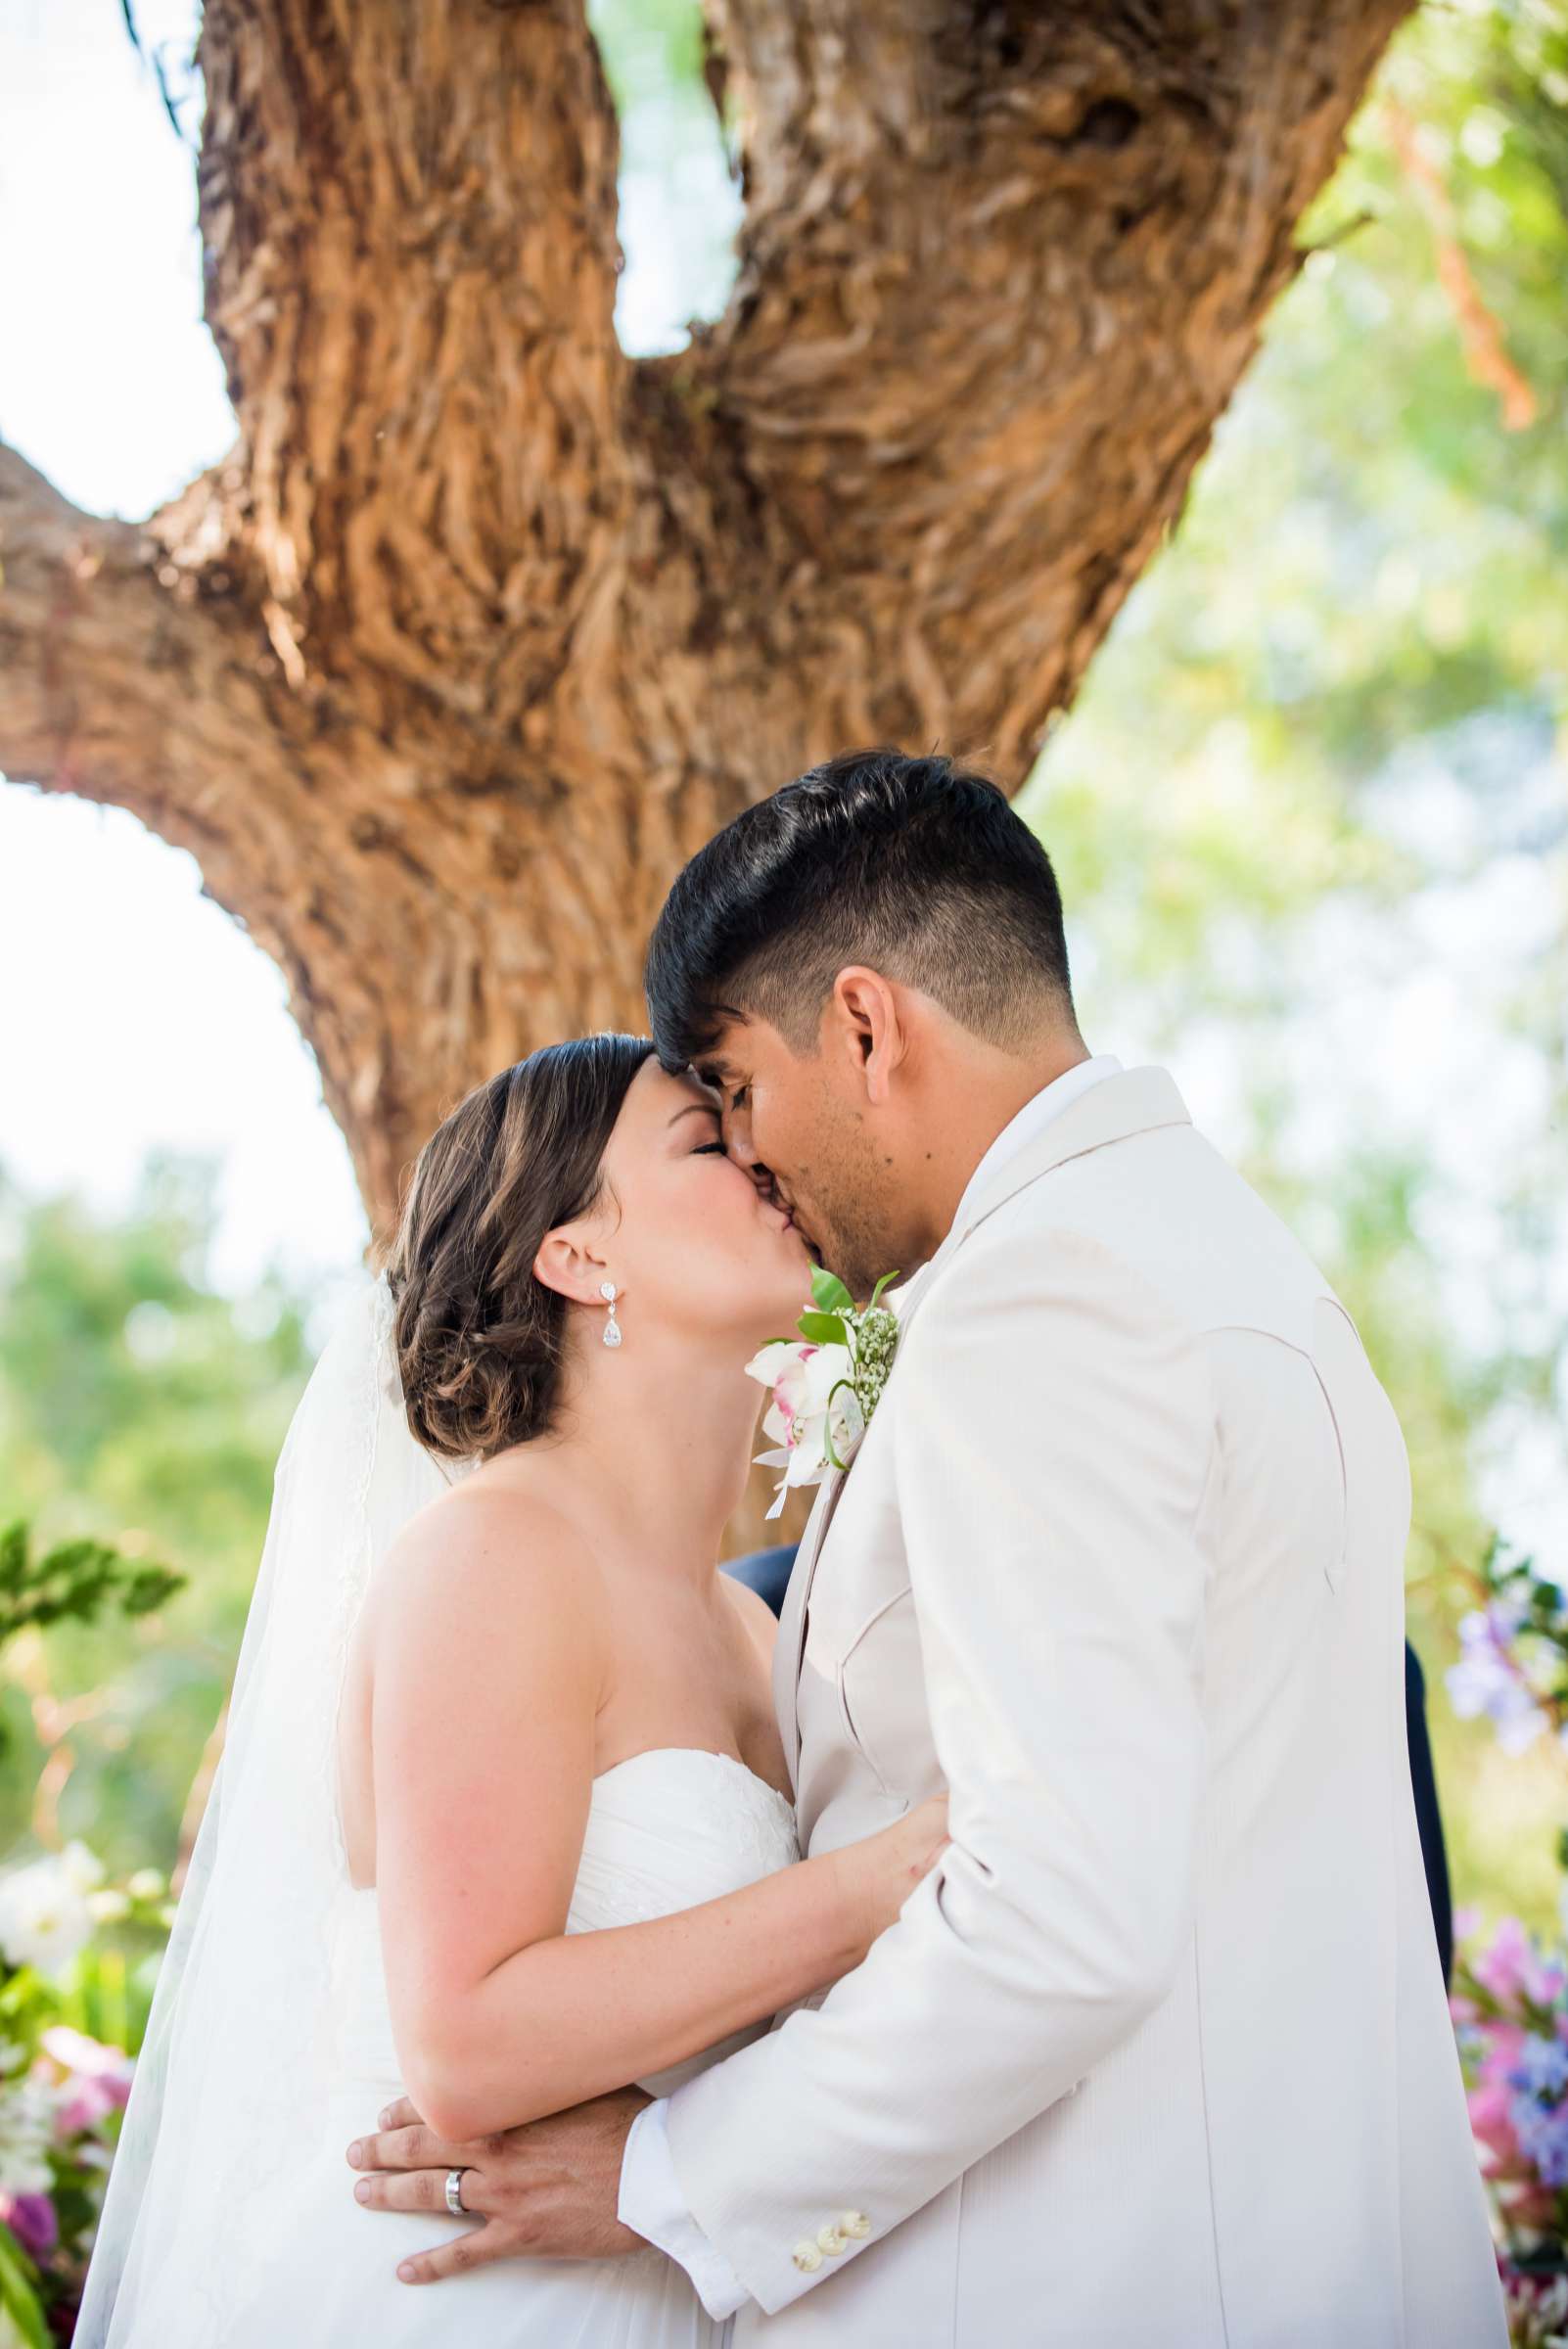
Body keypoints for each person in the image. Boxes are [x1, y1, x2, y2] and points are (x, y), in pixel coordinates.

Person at [350, 749, 1504, 2346]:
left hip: (1088, 2285)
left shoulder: (1036, 1301)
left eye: (738, 1094)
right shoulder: (1244, 1275)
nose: (758, 1164)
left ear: (867, 1026)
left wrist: (673, 2180)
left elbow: (1054, 1921)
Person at [75, 1033, 946, 2347]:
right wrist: (886, 1880)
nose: (764, 1157)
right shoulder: (495, 1554)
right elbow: (468, 2041)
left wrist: (674, 2166)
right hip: (470, 2301)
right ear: (576, 1254)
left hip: (678, 2278)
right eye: (708, 1143)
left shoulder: (747, 1622)